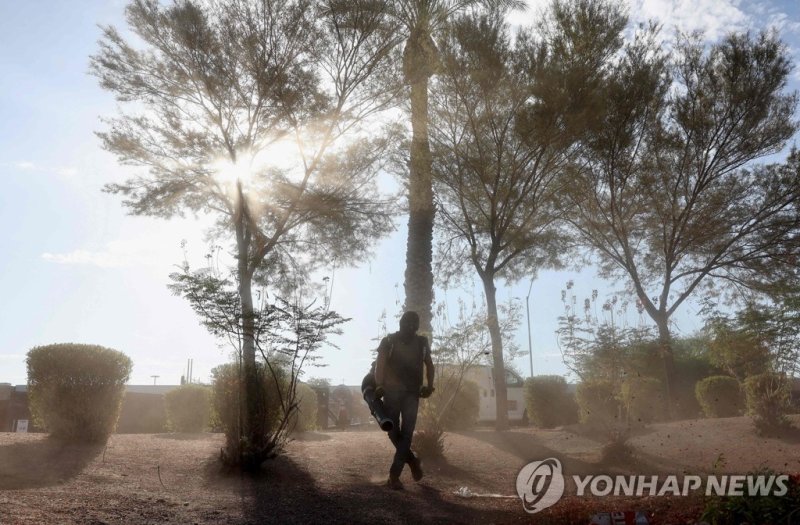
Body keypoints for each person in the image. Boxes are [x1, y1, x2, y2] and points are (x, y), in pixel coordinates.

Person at [374, 311, 435, 490]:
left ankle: (394, 476)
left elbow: (429, 364)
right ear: (401, 323)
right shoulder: (390, 341)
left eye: (412, 324)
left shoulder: (420, 342)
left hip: (409, 394)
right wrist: (379, 384)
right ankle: (412, 461)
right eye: (408, 323)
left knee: (402, 433)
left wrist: (430, 386)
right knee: (396, 432)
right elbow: (380, 364)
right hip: (395, 392)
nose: (409, 327)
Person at [361, 361, 393, 432]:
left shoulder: (385, 374)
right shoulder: (370, 376)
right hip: (369, 390)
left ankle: (385, 419)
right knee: (375, 403)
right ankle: (383, 419)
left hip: (375, 391)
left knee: (377, 404)